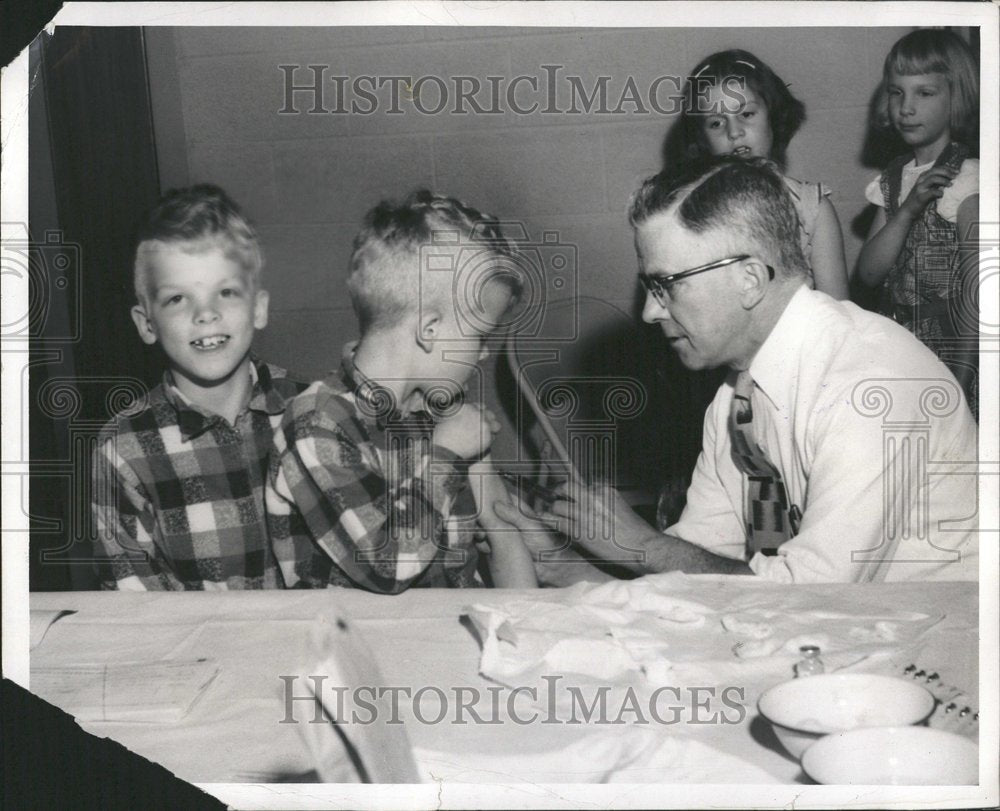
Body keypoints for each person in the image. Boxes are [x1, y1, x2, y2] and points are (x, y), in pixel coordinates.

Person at [496, 157, 978, 584]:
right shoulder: (737, 396)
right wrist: (568, 569)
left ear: (748, 278)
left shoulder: (871, 385)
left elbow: (817, 595)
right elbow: (701, 566)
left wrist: (643, 545)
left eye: (665, 285)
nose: (649, 312)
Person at [265, 190, 537, 591]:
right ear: (429, 331)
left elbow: (502, 530)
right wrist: (445, 456)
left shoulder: (444, 409)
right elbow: (388, 565)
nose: (482, 354)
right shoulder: (316, 423)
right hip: (357, 646)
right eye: (481, 336)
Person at [92, 185, 307, 590]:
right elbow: (138, 609)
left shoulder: (315, 412)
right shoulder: (123, 449)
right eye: (177, 299)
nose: (206, 314)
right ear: (146, 323)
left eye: (225, 292)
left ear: (258, 307)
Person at [857, 29, 980, 419]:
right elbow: (869, 273)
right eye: (897, 92)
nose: (906, 107)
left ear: (956, 97)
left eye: (924, 93)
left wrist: (961, 380)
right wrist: (907, 210)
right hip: (903, 356)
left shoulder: (970, 178)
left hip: (958, 358)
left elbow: (981, 296)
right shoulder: (894, 180)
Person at [678, 49, 850, 300]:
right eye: (716, 122)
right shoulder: (692, 211)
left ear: (774, 116)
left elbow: (839, 314)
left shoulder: (812, 208)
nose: (734, 131)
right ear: (702, 138)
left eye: (746, 114)